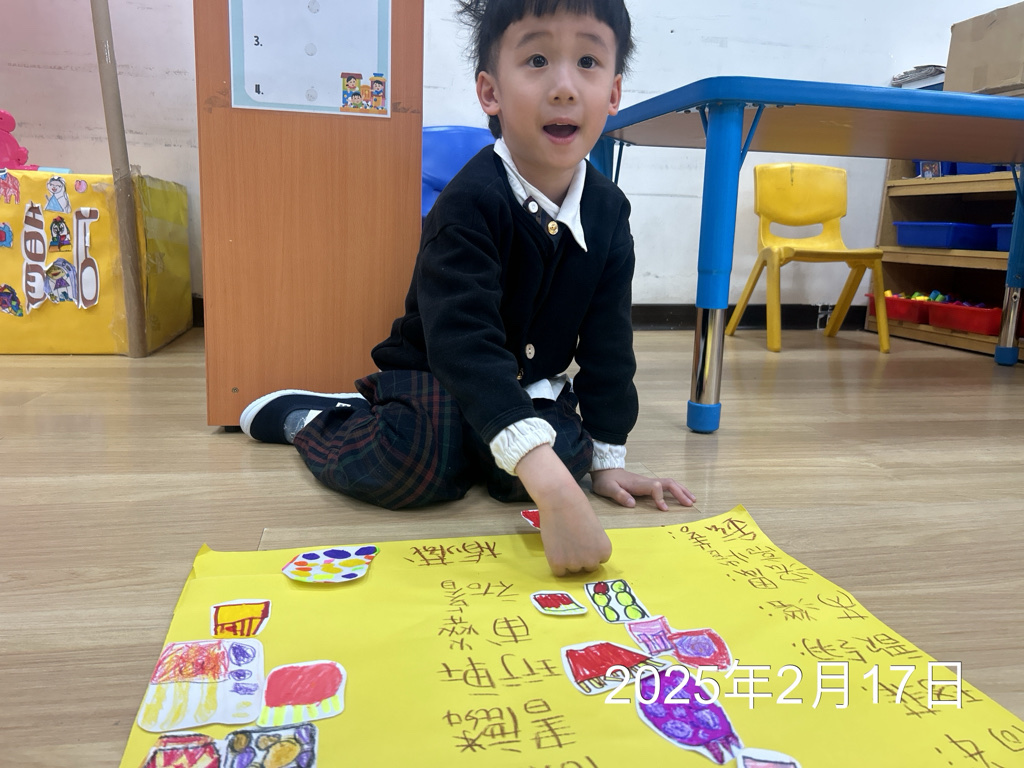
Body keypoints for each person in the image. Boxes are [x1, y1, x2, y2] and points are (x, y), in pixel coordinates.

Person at [240, 0, 695, 576]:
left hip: (526, 384)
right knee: (415, 464)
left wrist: (606, 458)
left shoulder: (609, 210)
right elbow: (462, 340)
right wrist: (554, 488)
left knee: (555, 459)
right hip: (436, 369)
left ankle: (495, 444)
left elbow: (609, 340)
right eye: (537, 60)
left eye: (587, 61)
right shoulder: (470, 201)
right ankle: (321, 419)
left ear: (613, 94)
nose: (563, 87)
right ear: (490, 93)